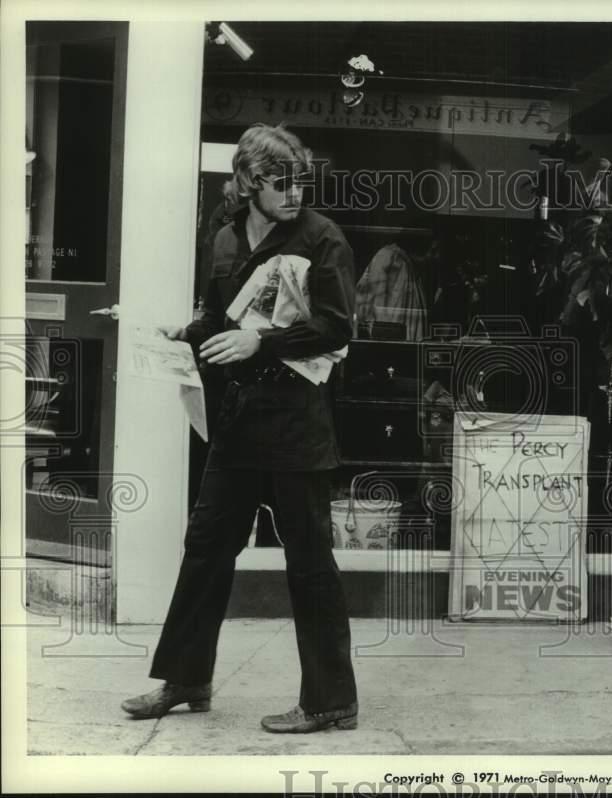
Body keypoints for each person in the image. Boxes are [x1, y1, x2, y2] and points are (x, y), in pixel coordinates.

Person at [121, 123, 359, 733]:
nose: (296, 191)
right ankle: (187, 680)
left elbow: (336, 327)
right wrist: (188, 334)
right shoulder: (225, 237)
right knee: (204, 551)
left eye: (303, 180)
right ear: (251, 182)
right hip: (236, 426)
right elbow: (217, 317)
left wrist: (263, 340)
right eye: (283, 182)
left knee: (309, 563)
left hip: (297, 426)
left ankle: (331, 700)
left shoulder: (322, 238)